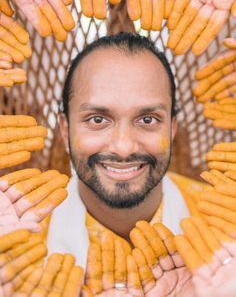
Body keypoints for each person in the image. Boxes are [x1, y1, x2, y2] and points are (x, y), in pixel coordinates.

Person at [47, 32, 206, 269]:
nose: (123, 147)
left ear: (172, 129)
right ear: (65, 129)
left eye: (148, 120)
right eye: (98, 120)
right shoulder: (14, 241)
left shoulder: (226, 227)